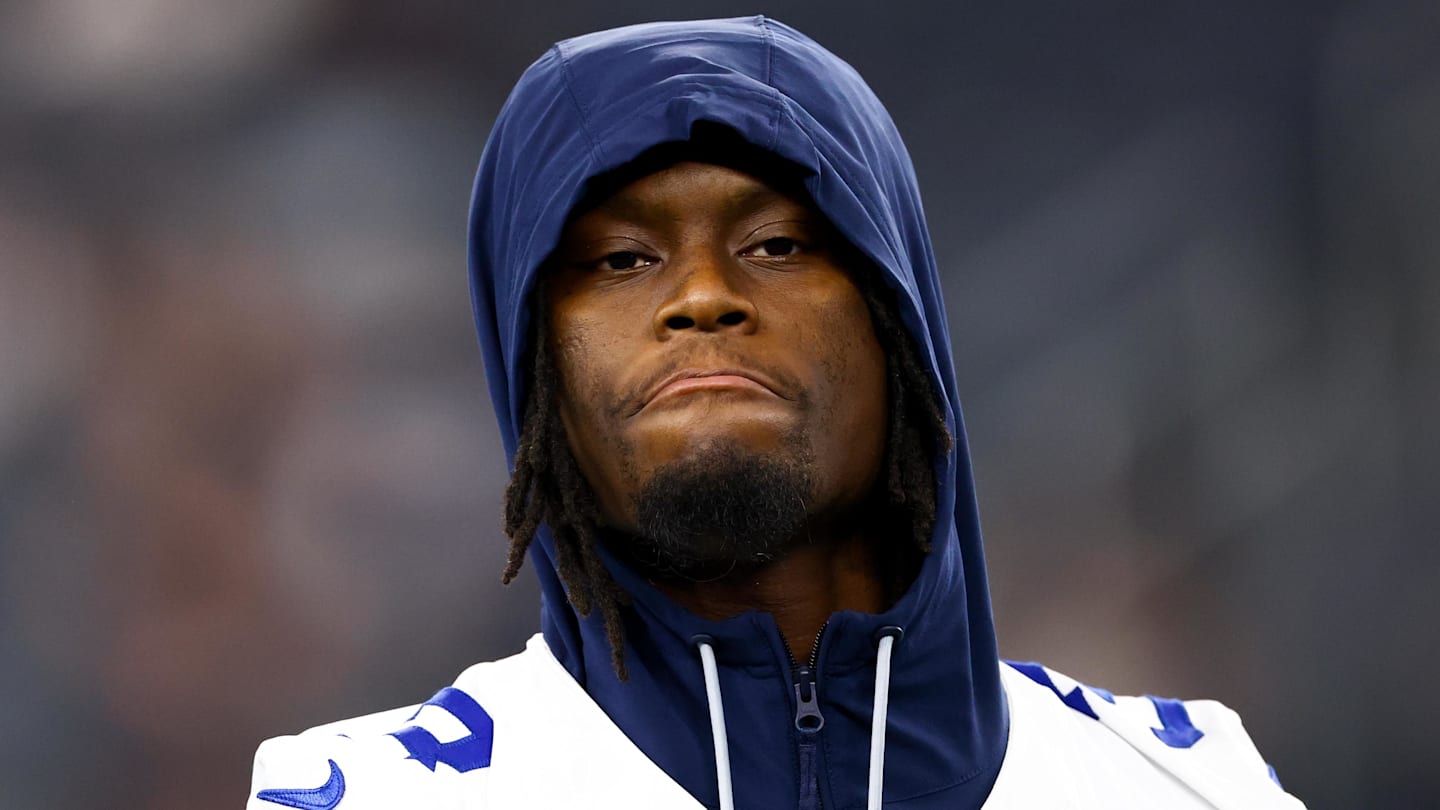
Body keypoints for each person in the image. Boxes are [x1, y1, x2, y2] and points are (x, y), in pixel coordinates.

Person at [248, 16, 1306, 809]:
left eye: (776, 245)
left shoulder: (1189, 785)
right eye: (621, 259)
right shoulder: (359, 797)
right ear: (532, 374)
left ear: (902, 324)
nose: (701, 296)